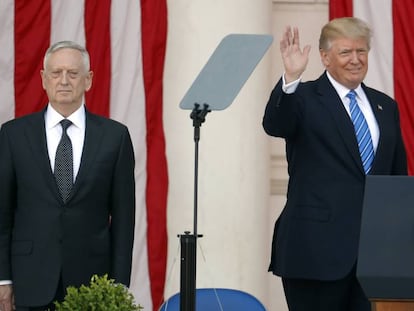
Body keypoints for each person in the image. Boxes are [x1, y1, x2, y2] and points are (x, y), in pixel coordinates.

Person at [263, 17, 407, 310]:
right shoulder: (302, 98)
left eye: (361, 51)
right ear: (325, 57)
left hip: (374, 258)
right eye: (345, 52)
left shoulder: (385, 106)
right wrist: (290, 80)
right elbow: (275, 124)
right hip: (315, 253)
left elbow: (395, 178)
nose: (355, 60)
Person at [0, 41, 136, 311]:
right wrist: (3, 279)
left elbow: (124, 219)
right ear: (43, 79)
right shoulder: (13, 135)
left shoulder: (115, 137)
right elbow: (2, 213)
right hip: (29, 281)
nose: (64, 81)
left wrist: (119, 285)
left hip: (93, 284)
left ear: (88, 80)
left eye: (73, 74)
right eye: (56, 73)